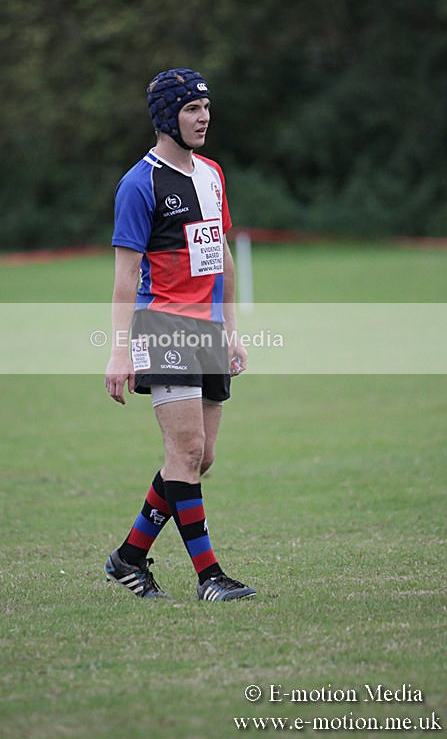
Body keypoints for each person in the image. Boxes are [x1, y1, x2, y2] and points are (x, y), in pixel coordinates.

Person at [104, 68, 255, 602]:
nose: (204, 117)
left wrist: (232, 331)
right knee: (186, 451)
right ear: (168, 116)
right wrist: (119, 352)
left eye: (206, 108)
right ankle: (210, 577)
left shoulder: (212, 174)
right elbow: (125, 278)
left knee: (198, 458)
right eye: (192, 109)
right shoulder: (138, 183)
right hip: (162, 324)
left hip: (209, 328)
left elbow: (223, 258)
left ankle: (128, 558)